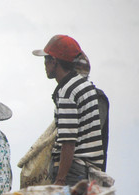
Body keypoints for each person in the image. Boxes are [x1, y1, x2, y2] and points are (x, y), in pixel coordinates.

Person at [33, 34, 109, 186]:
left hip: (73, 172)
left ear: (54, 61)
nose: (44, 64)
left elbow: (69, 141)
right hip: (88, 170)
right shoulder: (85, 85)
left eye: (46, 59)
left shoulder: (67, 92)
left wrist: (61, 179)